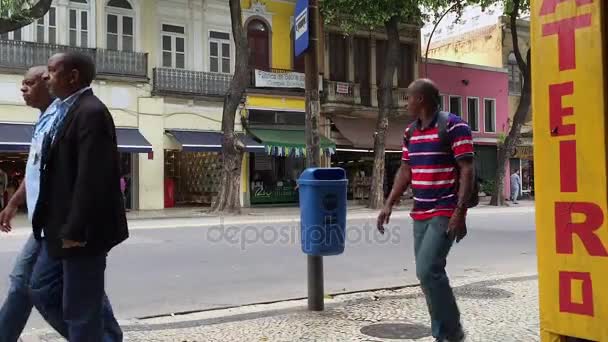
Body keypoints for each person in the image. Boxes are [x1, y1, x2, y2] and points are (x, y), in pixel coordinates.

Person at [29, 52, 128, 341]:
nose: (46, 76)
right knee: (41, 288)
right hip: (57, 228)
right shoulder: (64, 109)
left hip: (82, 232)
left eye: (51, 71)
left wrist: (76, 229)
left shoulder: (91, 112)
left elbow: (92, 177)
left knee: (79, 309)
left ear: (73, 76)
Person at [378, 79, 474, 342]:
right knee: (427, 275)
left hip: (445, 208)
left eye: (408, 98)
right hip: (420, 211)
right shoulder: (410, 132)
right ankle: (446, 332)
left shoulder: (454, 125)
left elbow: (467, 168)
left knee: (427, 269)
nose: (405, 103)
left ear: (420, 99)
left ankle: (450, 334)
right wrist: (388, 203)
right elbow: (406, 170)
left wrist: (460, 211)